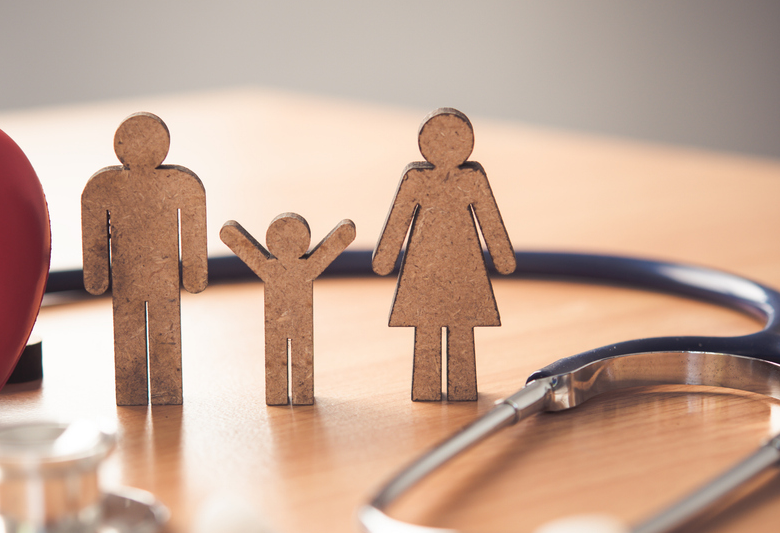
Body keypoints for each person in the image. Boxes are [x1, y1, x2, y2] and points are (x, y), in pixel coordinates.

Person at [371, 108, 515, 401]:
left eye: (455, 138)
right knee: (426, 326)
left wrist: (502, 257)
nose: (447, 145)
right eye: (440, 139)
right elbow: (399, 218)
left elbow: (490, 220)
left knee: (461, 326)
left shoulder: (472, 179)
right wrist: (385, 258)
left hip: (465, 264)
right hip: (423, 266)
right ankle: (426, 388)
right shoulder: (416, 179)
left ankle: (462, 389)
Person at [82, 112, 208, 405]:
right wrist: (97, 275)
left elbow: (191, 226)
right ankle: (135, 390)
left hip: (161, 280)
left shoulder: (180, 184)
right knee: (130, 334)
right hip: (128, 280)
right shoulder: (103, 186)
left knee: (164, 332)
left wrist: (193, 273)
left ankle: (163, 389)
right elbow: (94, 234)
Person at [220, 214, 356, 405]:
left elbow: (241, 244)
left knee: (296, 357)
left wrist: (230, 234)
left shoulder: (283, 267)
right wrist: (345, 232)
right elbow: (332, 246)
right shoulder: (295, 267)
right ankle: (289, 395)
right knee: (286, 357)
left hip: (294, 323)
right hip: (286, 323)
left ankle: (291, 395)